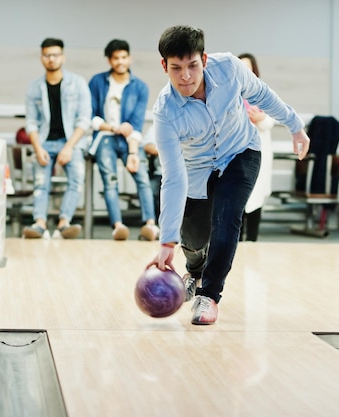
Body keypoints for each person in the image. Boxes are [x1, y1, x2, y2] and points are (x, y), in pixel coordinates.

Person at [147, 25, 310, 325]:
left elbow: (262, 94)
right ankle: (193, 271)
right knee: (193, 240)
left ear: (205, 60)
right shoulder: (165, 112)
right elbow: (172, 177)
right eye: (176, 68)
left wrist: (294, 124)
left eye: (192, 65)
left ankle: (208, 296)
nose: (186, 76)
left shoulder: (230, 69)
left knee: (227, 218)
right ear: (164, 66)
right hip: (195, 170)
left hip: (241, 152)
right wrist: (166, 241)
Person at [88, 39, 159, 241]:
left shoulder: (140, 87)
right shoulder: (97, 82)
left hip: (130, 141)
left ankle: (150, 225)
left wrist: (134, 153)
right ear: (109, 60)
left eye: (124, 57)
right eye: (116, 58)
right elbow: (91, 116)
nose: (120, 62)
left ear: (130, 58)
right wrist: (112, 127)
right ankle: (118, 226)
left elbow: (136, 124)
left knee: (142, 178)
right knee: (110, 181)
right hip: (105, 137)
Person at [23, 38, 91, 239]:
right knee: (40, 182)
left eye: (55, 55)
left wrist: (69, 147)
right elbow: (31, 123)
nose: (51, 59)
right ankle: (40, 223)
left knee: (76, 180)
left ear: (63, 56)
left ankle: (64, 223)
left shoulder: (77, 83)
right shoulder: (34, 87)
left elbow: (84, 119)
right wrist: (37, 148)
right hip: (44, 142)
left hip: (71, 142)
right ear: (42, 58)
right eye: (47, 55)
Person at [237, 53, 275, 241]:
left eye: (248, 67)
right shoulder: (229, 93)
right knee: (237, 197)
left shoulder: (262, 93)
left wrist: (261, 119)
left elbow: (271, 122)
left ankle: (252, 241)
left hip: (259, 152)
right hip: (236, 153)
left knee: (256, 197)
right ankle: (235, 244)